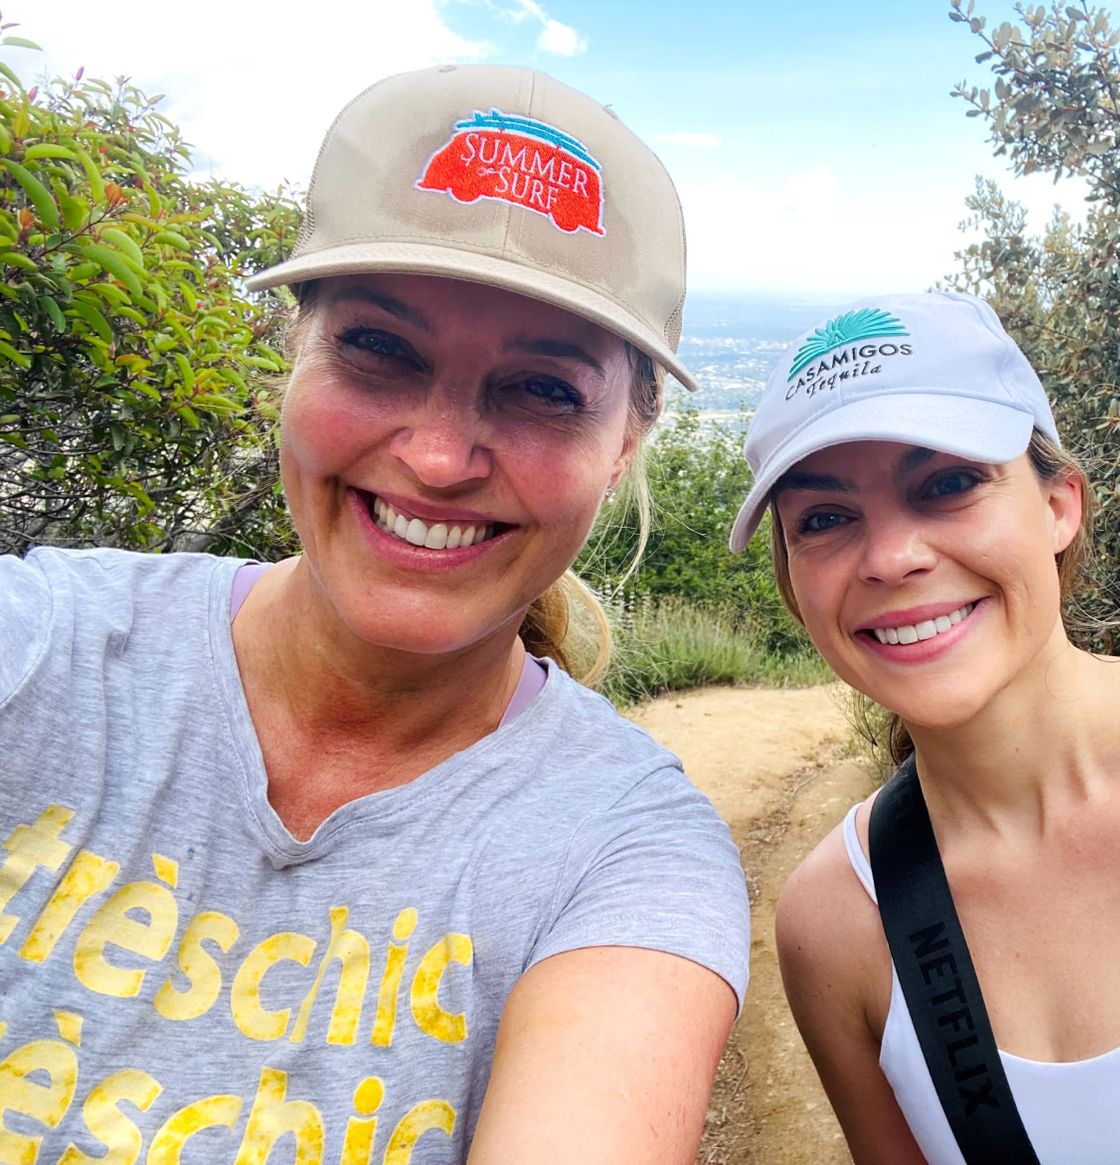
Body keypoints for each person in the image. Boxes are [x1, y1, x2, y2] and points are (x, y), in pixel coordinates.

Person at [0, 65, 749, 1163]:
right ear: (291, 355)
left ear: (624, 443)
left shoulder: (625, 850)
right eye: (380, 350)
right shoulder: (45, 643)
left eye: (543, 388)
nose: (441, 457)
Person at [728, 292, 1120, 1164]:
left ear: (1061, 502)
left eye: (947, 483)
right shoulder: (837, 925)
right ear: (795, 586)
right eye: (825, 519)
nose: (891, 557)